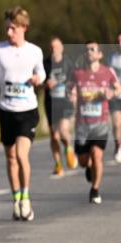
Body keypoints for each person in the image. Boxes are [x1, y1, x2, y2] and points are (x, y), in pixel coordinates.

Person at [0, 7, 45, 221]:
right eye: (6, 28)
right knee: (11, 157)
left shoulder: (34, 51)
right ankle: (16, 199)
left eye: (13, 28)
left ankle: (25, 197)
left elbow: (41, 71)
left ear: (24, 27)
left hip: (28, 110)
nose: (9, 33)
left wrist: (36, 79)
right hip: (6, 110)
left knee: (22, 155)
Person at [69, 41, 121, 204]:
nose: (89, 52)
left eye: (92, 50)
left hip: (100, 123)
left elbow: (117, 88)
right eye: (87, 50)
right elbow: (69, 89)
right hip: (82, 125)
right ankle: (89, 168)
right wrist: (71, 95)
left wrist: (111, 93)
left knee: (97, 155)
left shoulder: (107, 72)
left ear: (100, 55)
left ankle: (95, 190)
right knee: (84, 160)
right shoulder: (77, 73)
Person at [44, 36, 77, 176]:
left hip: (65, 101)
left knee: (63, 129)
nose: (54, 50)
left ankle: (69, 149)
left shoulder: (68, 63)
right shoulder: (45, 63)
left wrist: (73, 90)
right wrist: (45, 84)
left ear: (62, 48)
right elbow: (39, 79)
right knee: (54, 136)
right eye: (52, 47)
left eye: (56, 47)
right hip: (51, 102)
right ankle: (58, 164)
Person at [109, 34, 121, 164]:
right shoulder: (112, 58)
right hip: (116, 96)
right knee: (117, 123)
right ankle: (118, 145)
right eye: (118, 41)